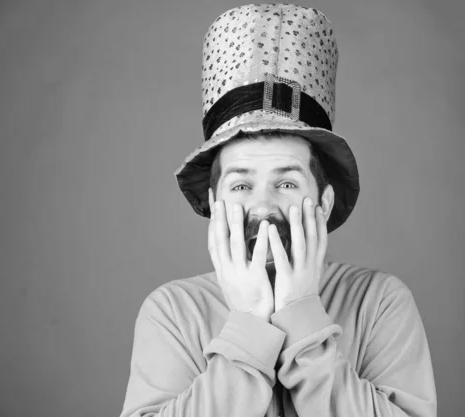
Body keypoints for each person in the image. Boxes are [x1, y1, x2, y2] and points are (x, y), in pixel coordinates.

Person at [119, 4, 436, 417]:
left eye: (286, 183)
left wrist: (300, 311)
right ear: (215, 205)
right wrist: (249, 322)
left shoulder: (379, 302)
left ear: (323, 202)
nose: (264, 205)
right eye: (241, 185)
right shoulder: (173, 311)